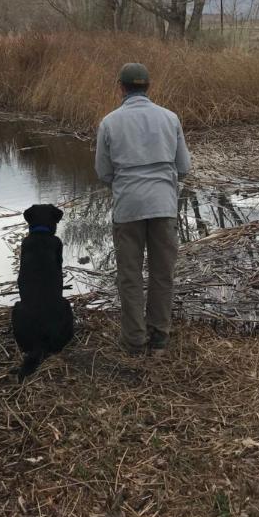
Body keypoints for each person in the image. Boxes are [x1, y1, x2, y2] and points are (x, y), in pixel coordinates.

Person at [95, 62, 191, 355]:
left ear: (121, 87)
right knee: (163, 274)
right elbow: (183, 167)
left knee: (130, 276)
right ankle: (159, 337)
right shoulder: (170, 118)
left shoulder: (109, 122)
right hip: (164, 206)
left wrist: (125, 183)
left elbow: (103, 172)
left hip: (128, 209)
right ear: (148, 87)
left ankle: (134, 342)